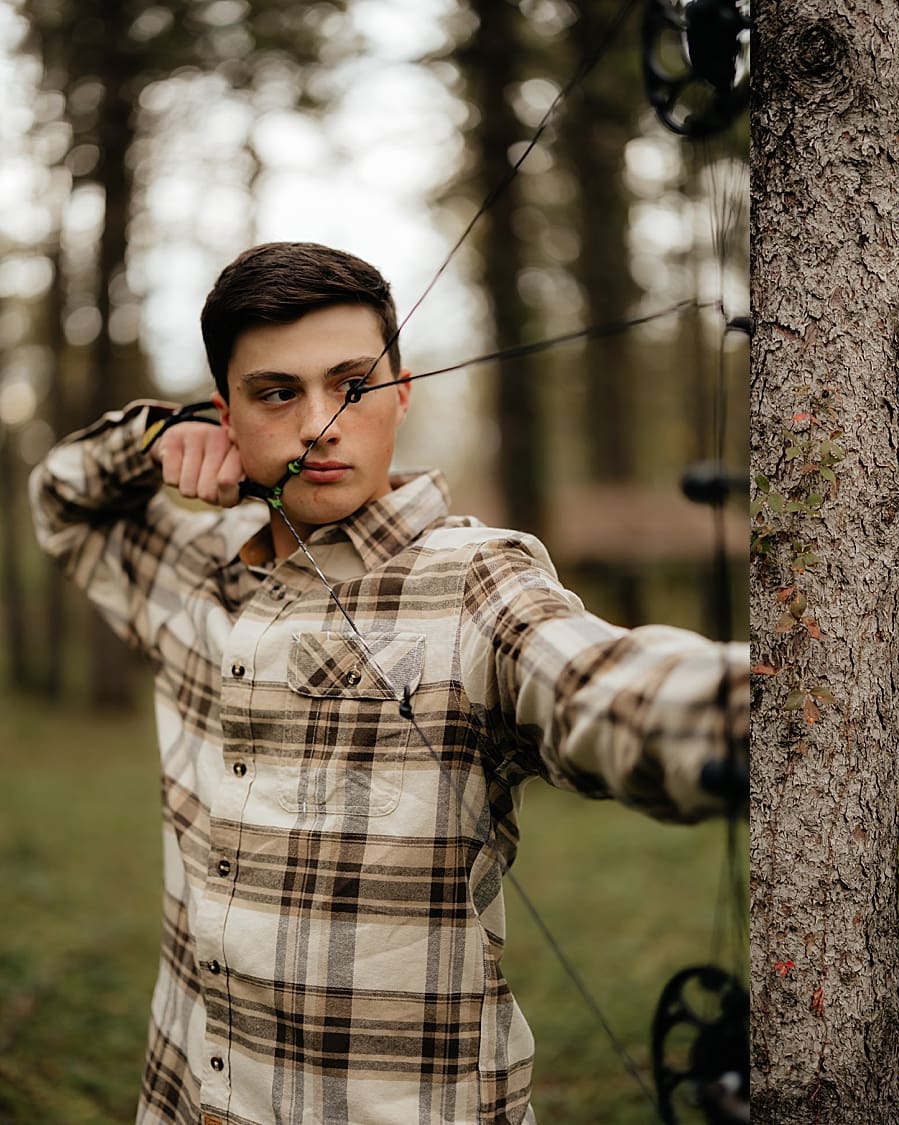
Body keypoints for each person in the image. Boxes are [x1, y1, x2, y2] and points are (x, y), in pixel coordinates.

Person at [30, 241, 747, 1125]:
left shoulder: (479, 578)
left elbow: (596, 682)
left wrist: (739, 712)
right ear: (228, 413)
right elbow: (61, 498)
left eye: (353, 385)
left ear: (401, 393)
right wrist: (153, 441)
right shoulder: (191, 569)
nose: (321, 423)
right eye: (277, 392)